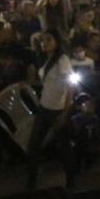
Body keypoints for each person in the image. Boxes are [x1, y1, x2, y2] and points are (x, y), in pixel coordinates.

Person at [26, 29, 75, 189]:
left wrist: (66, 111)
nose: (44, 43)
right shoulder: (46, 60)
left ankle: (70, 181)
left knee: (64, 146)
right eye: (42, 40)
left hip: (58, 109)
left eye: (48, 39)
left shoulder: (62, 59)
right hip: (44, 107)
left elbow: (70, 85)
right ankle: (32, 180)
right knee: (33, 144)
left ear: (56, 42)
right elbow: (49, 83)